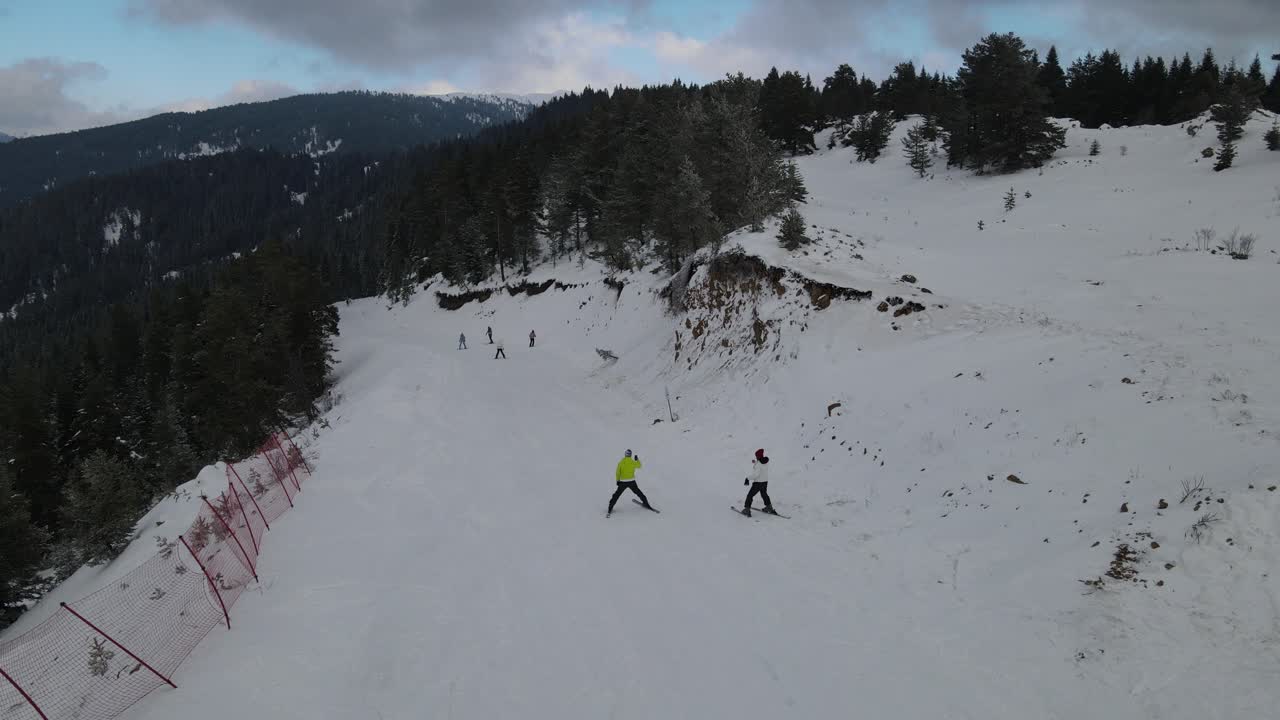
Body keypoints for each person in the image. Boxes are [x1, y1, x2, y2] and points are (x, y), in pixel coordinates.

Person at [607, 449, 652, 516]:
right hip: (632, 482)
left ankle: (610, 508)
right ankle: (646, 504)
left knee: (616, 495)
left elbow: (617, 472)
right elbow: (639, 466)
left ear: (625, 454)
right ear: (630, 455)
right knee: (639, 492)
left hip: (623, 482)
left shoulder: (621, 462)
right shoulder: (633, 462)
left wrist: (617, 480)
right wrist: (637, 460)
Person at [741, 448, 775, 517]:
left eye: (756, 456)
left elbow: (756, 475)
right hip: (765, 482)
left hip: (758, 483)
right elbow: (761, 464)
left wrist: (747, 478)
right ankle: (769, 507)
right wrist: (755, 462)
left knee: (750, 495)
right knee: (764, 494)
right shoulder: (766, 462)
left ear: (758, 456)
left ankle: (747, 510)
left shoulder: (759, 464)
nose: (756, 457)